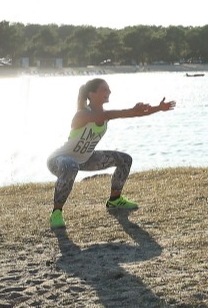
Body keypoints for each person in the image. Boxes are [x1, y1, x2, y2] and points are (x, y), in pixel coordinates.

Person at [46, 78, 175, 229]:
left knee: (125, 160)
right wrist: (133, 110)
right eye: (104, 89)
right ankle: (56, 213)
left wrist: (158, 108)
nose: (109, 92)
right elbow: (113, 115)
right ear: (92, 94)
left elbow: (134, 113)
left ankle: (115, 199)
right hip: (59, 160)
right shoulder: (82, 115)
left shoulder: (104, 114)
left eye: (109, 89)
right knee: (71, 166)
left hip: (86, 159)